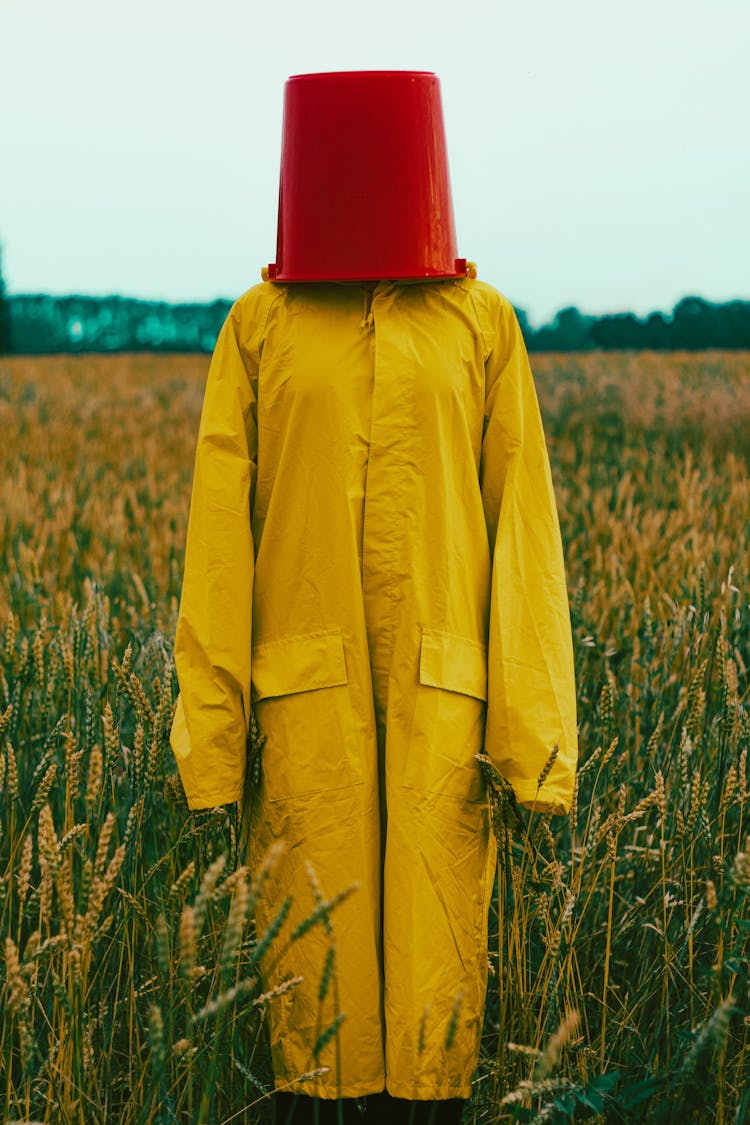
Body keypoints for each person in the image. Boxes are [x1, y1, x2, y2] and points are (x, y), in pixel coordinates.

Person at [169, 70, 578, 1125]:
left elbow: (521, 529)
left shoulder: (480, 323)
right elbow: (217, 547)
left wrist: (534, 746)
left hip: (448, 702)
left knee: (439, 996)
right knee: (316, 1001)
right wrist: (210, 744)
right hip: (304, 701)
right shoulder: (259, 325)